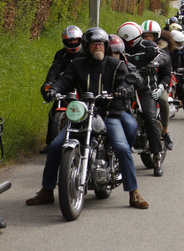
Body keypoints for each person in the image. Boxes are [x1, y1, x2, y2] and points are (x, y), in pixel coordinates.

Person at [28, 27, 149, 209]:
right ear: (87, 46)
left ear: (106, 46)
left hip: (109, 114)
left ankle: (134, 193)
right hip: (82, 114)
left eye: (101, 44)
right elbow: (65, 80)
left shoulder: (115, 65)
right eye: (94, 45)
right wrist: (53, 89)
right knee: (54, 147)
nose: (98, 47)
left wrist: (124, 89)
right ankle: (46, 191)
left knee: (122, 148)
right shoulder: (77, 65)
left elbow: (127, 82)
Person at [117, 21, 164, 177]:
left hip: (146, 89)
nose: (127, 44)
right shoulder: (117, 48)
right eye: (124, 41)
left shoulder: (149, 47)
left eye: (129, 41)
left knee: (150, 118)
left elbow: (164, 56)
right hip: (125, 88)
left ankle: (157, 157)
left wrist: (155, 62)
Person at [39, 25, 84, 154]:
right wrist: (48, 86)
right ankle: (50, 142)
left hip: (81, 86)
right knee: (53, 110)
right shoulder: (61, 54)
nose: (73, 43)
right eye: (69, 41)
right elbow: (54, 70)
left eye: (75, 40)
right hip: (64, 85)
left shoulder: (85, 53)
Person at [141, 20, 175, 150]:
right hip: (140, 84)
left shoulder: (164, 51)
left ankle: (165, 132)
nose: (148, 39)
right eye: (145, 36)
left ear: (156, 36)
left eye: (150, 36)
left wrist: (161, 87)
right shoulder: (137, 48)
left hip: (158, 84)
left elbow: (167, 74)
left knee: (163, 100)